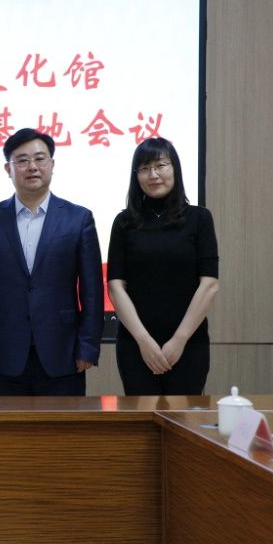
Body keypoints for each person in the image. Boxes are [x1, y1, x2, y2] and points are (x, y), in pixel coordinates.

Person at [0, 128, 103, 396]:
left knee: (63, 424)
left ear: (52, 165)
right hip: (6, 353)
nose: (32, 167)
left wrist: (88, 347)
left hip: (63, 351)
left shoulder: (78, 219)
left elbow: (92, 292)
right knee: (9, 424)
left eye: (40, 159)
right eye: (22, 160)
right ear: (8, 168)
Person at [107, 138, 219, 395]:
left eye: (160, 165)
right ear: (136, 175)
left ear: (175, 169)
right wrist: (144, 341)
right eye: (145, 168)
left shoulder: (199, 219)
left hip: (189, 344)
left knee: (183, 416)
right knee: (141, 416)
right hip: (136, 345)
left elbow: (209, 284)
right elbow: (115, 286)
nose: (153, 174)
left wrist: (179, 340)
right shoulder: (124, 222)